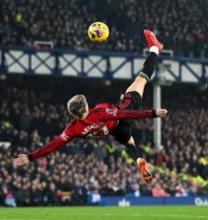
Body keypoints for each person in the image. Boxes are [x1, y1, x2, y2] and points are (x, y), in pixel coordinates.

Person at [14, 29, 166, 185]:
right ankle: (154, 48)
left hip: (113, 131)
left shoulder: (73, 129)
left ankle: (139, 160)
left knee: (129, 144)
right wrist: (152, 113)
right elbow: (125, 114)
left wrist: (30, 157)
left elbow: (53, 145)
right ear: (85, 106)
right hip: (121, 114)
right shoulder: (100, 111)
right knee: (142, 78)